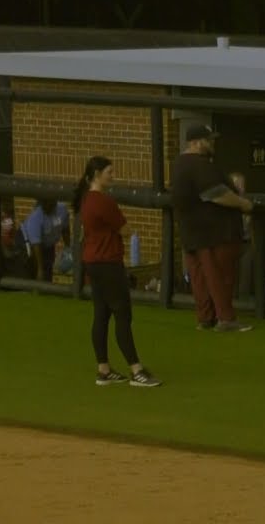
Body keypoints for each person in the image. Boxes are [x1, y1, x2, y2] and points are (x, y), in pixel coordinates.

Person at [72, 156, 161, 388]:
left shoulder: (86, 200)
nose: (113, 175)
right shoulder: (103, 202)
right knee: (123, 314)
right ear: (98, 174)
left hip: (93, 262)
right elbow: (125, 229)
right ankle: (136, 369)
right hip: (108, 263)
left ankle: (104, 369)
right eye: (109, 172)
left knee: (101, 314)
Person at [170, 124, 254, 332]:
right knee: (220, 278)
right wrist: (244, 204)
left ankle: (206, 318)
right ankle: (225, 319)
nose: (212, 143)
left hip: (193, 232)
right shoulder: (199, 165)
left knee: (201, 279)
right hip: (213, 233)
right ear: (196, 142)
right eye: (208, 140)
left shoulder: (180, 163)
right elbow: (216, 194)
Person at [21, 198, 70, 283]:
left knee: (48, 270)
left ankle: (46, 289)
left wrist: (68, 248)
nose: (46, 206)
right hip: (28, 244)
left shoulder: (62, 209)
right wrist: (40, 269)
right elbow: (36, 244)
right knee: (33, 270)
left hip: (47, 243)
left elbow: (65, 229)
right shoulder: (36, 216)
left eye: (48, 203)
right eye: (44, 203)